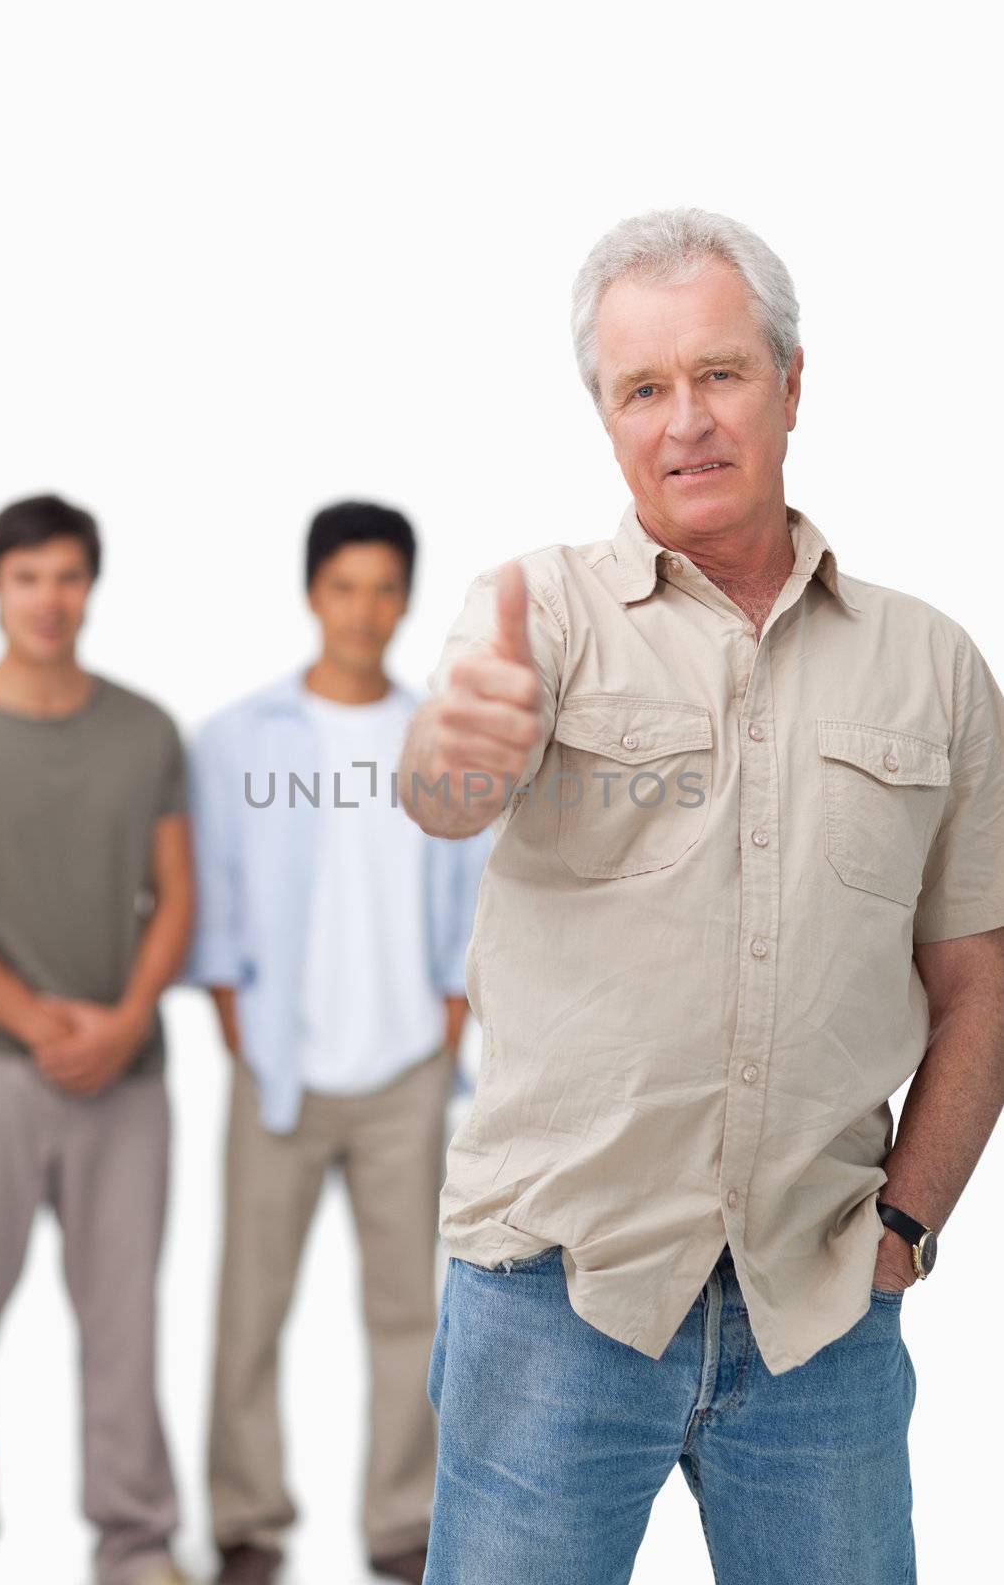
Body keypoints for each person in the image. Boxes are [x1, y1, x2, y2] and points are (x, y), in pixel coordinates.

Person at [397, 207, 1004, 1584]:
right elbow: (443, 791)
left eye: (718, 374)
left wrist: (905, 1225)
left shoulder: (933, 666)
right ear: (604, 419)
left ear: (791, 383)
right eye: (641, 389)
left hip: (819, 1315)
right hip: (554, 1297)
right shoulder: (534, 615)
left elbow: (975, 977)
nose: (684, 420)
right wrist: (457, 748)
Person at [185, 500, 489, 1585]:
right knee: (248, 1307)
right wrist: (245, 1041)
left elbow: (466, 912)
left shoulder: (439, 738)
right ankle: (245, 1521)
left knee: (412, 1305)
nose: (364, 610)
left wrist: (441, 1036)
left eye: (384, 588)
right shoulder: (237, 738)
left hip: (406, 1070)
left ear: (406, 599)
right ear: (311, 593)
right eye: (343, 586)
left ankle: (403, 1521)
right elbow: (213, 915)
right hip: (277, 1070)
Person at [0, 495, 196, 1585]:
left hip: (123, 1075)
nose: (50, 599)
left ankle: (135, 1544)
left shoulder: (145, 729)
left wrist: (130, 1016)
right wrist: (36, 1018)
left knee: (124, 1323)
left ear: (91, 586)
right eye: (27, 577)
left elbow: (176, 894)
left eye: (68, 577)